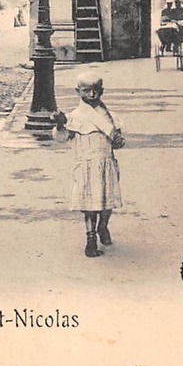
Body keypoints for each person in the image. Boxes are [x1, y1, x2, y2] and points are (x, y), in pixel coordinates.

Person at [63, 69, 125, 258]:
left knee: (107, 203)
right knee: (90, 205)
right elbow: (62, 137)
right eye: (87, 90)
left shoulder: (110, 116)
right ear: (78, 91)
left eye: (96, 89)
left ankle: (103, 227)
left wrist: (119, 140)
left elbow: (117, 141)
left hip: (106, 163)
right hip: (87, 166)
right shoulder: (74, 116)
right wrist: (59, 125)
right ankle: (90, 239)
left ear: (102, 90)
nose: (92, 94)